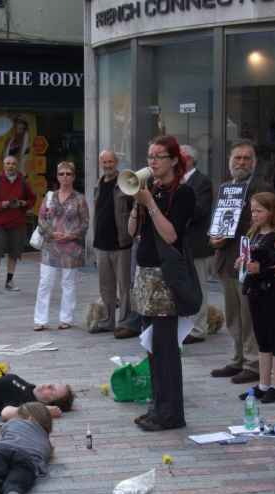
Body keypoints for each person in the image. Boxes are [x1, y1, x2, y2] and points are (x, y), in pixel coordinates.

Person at [130, 135, 195, 431]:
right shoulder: (151, 190)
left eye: (158, 156)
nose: (152, 162)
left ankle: (171, 414)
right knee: (152, 348)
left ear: (173, 160)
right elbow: (132, 232)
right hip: (146, 276)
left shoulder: (183, 194)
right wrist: (137, 204)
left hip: (165, 279)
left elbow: (171, 236)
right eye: (150, 156)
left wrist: (152, 207)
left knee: (166, 348)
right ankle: (157, 406)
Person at [210, 139, 273, 384]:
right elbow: (217, 220)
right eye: (237, 158)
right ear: (230, 162)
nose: (242, 162)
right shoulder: (225, 188)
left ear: (254, 163)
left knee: (249, 316)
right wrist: (214, 238)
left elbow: (268, 225)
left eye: (247, 158)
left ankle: (253, 363)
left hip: (249, 262)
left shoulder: (262, 188)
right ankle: (237, 359)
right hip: (226, 260)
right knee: (233, 315)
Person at [236, 192, 275, 403]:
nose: (254, 215)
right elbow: (251, 260)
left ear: (272, 212)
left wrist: (261, 269)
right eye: (252, 210)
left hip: (273, 292)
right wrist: (243, 263)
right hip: (255, 291)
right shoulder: (254, 234)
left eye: (259, 211)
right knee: (261, 337)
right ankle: (263, 384)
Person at [33, 161, 89, 330]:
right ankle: (40, 320)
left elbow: (85, 223)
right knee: (45, 283)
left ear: (73, 176)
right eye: (62, 174)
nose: (65, 177)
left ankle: (66, 318)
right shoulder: (50, 196)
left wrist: (71, 234)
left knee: (68, 283)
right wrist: (51, 232)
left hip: (71, 247)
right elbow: (41, 218)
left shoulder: (80, 199)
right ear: (57, 176)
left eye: (68, 174)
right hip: (51, 245)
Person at [91, 150, 134, 336]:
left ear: (116, 162)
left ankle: (124, 322)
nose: (107, 165)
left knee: (124, 286)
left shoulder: (125, 183)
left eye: (110, 162)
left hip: (121, 244)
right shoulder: (99, 183)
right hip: (101, 244)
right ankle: (108, 320)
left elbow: (134, 210)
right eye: (104, 162)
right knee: (106, 286)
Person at [0, 156, 35, 294]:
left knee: (14, 253)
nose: (10, 166)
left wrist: (24, 203)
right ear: (3, 165)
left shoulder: (23, 181)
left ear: (17, 166)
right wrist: (2, 204)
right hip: (0, 223)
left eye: (13, 163)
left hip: (17, 223)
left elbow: (32, 198)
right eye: (8, 163)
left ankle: (9, 281)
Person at [180, 144, 214, 344]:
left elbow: (200, 210)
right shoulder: (177, 180)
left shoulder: (202, 181)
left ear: (190, 160)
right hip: (179, 245)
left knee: (199, 287)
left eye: (180, 157)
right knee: (184, 288)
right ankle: (186, 326)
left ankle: (199, 329)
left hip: (197, 245)